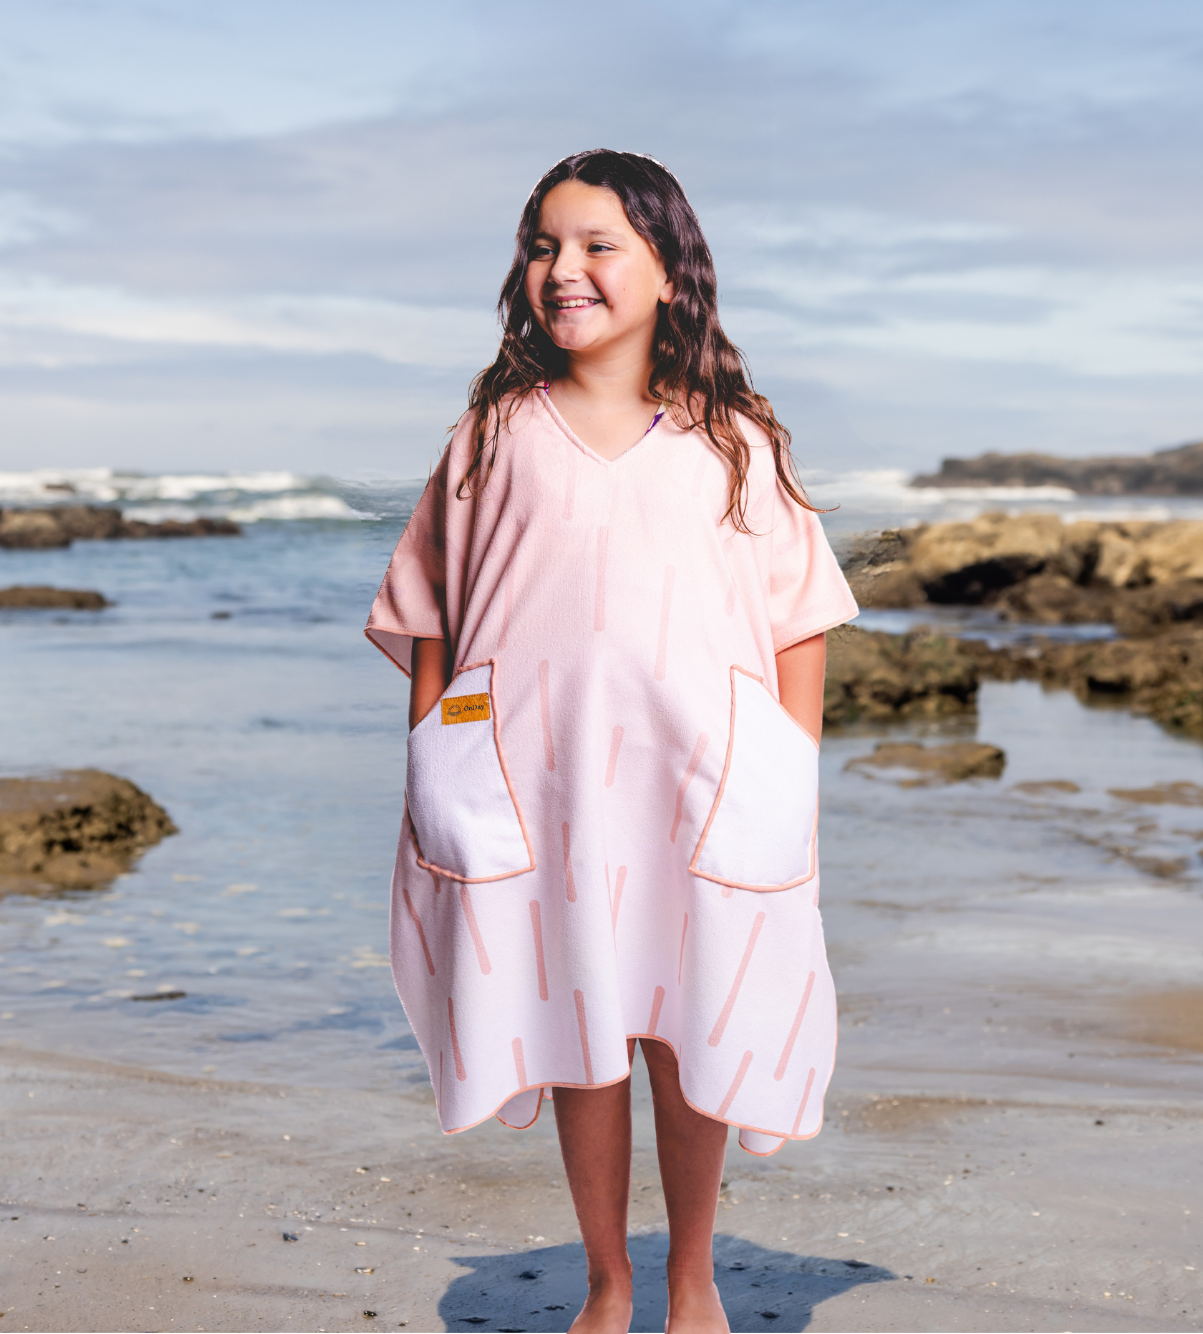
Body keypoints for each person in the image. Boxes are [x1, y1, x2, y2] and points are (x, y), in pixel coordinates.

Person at [365, 148, 857, 1334]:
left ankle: (692, 1281)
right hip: (540, 786)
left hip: (704, 781)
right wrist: (436, 754)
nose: (562, 269)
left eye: (596, 245)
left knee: (691, 1025)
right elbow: (433, 609)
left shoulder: (737, 438)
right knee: (578, 1024)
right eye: (541, 245)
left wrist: (789, 771)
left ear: (668, 273)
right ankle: (607, 1281)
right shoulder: (489, 436)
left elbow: (800, 620)